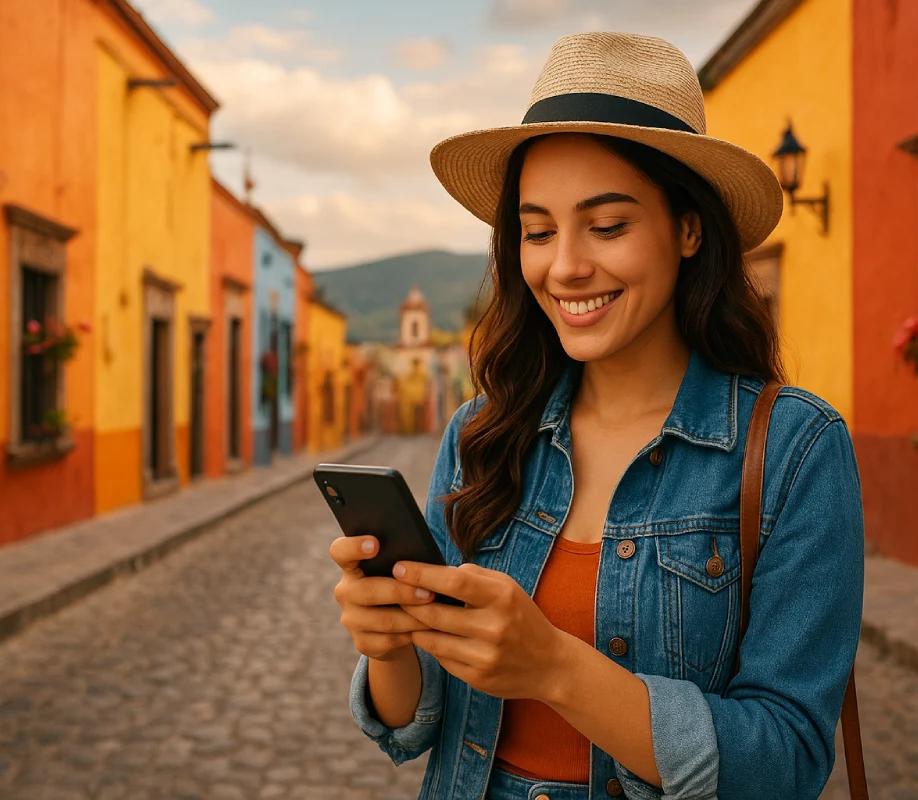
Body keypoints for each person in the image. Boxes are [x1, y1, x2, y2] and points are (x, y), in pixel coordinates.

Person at [330, 31, 863, 800]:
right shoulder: (482, 433)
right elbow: (415, 727)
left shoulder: (793, 449)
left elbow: (786, 761)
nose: (565, 265)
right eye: (538, 231)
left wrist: (555, 667)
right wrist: (387, 645)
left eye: (607, 226)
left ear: (688, 229)